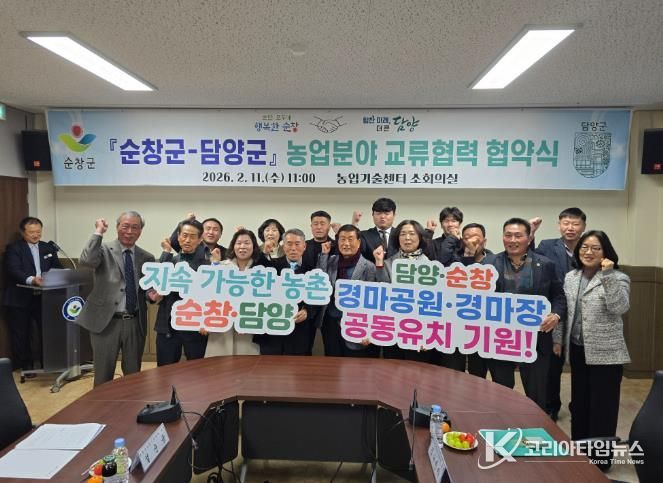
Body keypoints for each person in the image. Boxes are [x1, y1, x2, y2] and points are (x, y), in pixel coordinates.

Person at [555, 230, 630, 469]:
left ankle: (600, 460)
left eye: (596, 248)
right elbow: (564, 312)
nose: (588, 252)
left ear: (605, 252)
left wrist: (607, 275)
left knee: (602, 407)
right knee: (579, 404)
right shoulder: (571, 277)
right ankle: (580, 453)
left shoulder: (618, 277)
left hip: (606, 354)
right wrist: (558, 340)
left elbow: (619, 307)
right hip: (578, 350)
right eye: (584, 247)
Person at [483, 218, 566, 409]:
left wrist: (555, 315)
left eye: (518, 236)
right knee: (502, 391)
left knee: (536, 393)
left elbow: (559, 296)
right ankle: (503, 424)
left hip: (535, 338)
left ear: (529, 239)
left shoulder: (546, 264)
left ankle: (535, 425)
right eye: (508, 235)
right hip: (499, 338)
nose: (512, 240)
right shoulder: (489, 263)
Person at [76, 212, 155, 386]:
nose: (129, 231)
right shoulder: (103, 250)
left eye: (135, 227)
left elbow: (147, 288)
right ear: (117, 227)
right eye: (125, 226)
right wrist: (98, 232)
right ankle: (102, 404)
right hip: (106, 321)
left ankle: (130, 403)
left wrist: (152, 295)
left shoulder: (146, 257)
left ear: (140, 231)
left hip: (134, 322)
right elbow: (87, 261)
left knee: (133, 375)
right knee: (103, 375)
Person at [535, 207, 587, 421]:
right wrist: (531, 233)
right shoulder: (547, 246)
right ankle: (551, 406)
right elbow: (532, 262)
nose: (570, 227)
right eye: (566, 223)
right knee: (552, 365)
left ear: (583, 226)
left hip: (581, 316)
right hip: (555, 313)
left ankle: (580, 406)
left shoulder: (589, 248)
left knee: (581, 364)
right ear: (559, 225)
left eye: (575, 223)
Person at [3, 217, 62, 374]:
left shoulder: (47, 248)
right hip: (19, 297)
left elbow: (58, 268)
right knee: (22, 334)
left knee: (47, 331)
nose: (36, 235)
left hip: (44, 298)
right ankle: (25, 367)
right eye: (32, 232)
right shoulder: (14, 248)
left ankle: (47, 363)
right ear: (23, 233)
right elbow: (14, 270)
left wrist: (61, 276)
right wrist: (32, 280)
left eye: (38, 232)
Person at [155, 219, 218, 366]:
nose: (187, 240)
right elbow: (155, 286)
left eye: (192, 236)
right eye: (184, 235)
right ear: (178, 236)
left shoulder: (207, 265)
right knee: (165, 371)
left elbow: (213, 296)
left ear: (200, 240)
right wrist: (152, 295)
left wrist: (207, 321)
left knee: (197, 371)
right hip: (168, 326)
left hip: (195, 326)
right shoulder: (169, 260)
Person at [374, 219, 433, 363]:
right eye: (403, 234)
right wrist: (379, 263)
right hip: (393, 326)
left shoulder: (431, 266)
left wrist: (428, 334)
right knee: (392, 367)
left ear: (420, 237)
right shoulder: (389, 262)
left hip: (419, 328)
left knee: (416, 369)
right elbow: (383, 291)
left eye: (412, 234)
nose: (407, 238)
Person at [437, 222, 492, 375]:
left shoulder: (493, 261)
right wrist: (468, 256)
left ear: (484, 241)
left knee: (478, 371)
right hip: (455, 324)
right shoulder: (455, 260)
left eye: (475, 237)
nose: (471, 241)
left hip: (481, 326)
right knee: (453, 371)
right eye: (466, 237)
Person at [317, 224, 378, 357]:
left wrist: (369, 329)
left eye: (350, 239)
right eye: (342, 239)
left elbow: (373, 302)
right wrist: (324, 255)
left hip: (355, 323)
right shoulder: (330, 260)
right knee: (332, 359)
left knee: (353, 362)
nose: (346, 243)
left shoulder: (368, 266)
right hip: (330, 322)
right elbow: (319, 283)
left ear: (359, 242)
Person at [204, 229, 265, 357]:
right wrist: (204, 321)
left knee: (246, 363)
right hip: (222, 324)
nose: (242, 246)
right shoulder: (221, 266)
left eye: (247, 243)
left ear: (254, 246)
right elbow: (208, 294)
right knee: (219, 363)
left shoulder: (261, 269)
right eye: (239, 243)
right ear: (233, 246)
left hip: (248, 324)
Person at [257, 228, 316, 355]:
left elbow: (318, 298)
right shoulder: (272, 266)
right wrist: (264, 252)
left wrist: (307, 310)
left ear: (304, 246)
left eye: (297, 244)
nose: (293, 248)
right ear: (283, 247)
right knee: (270, 364)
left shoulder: (313, 270)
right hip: (273, 330)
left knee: (298, 365)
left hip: (299, 331)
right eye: (289, 244)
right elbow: (257, 274)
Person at [356, 197, 398, 263]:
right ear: (373, 215)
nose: (382, 217)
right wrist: (354, 223)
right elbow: (355, 250)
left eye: (386, 213)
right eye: (378, 213)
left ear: (394, 215)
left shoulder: (400, 234)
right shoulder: (364, 235)